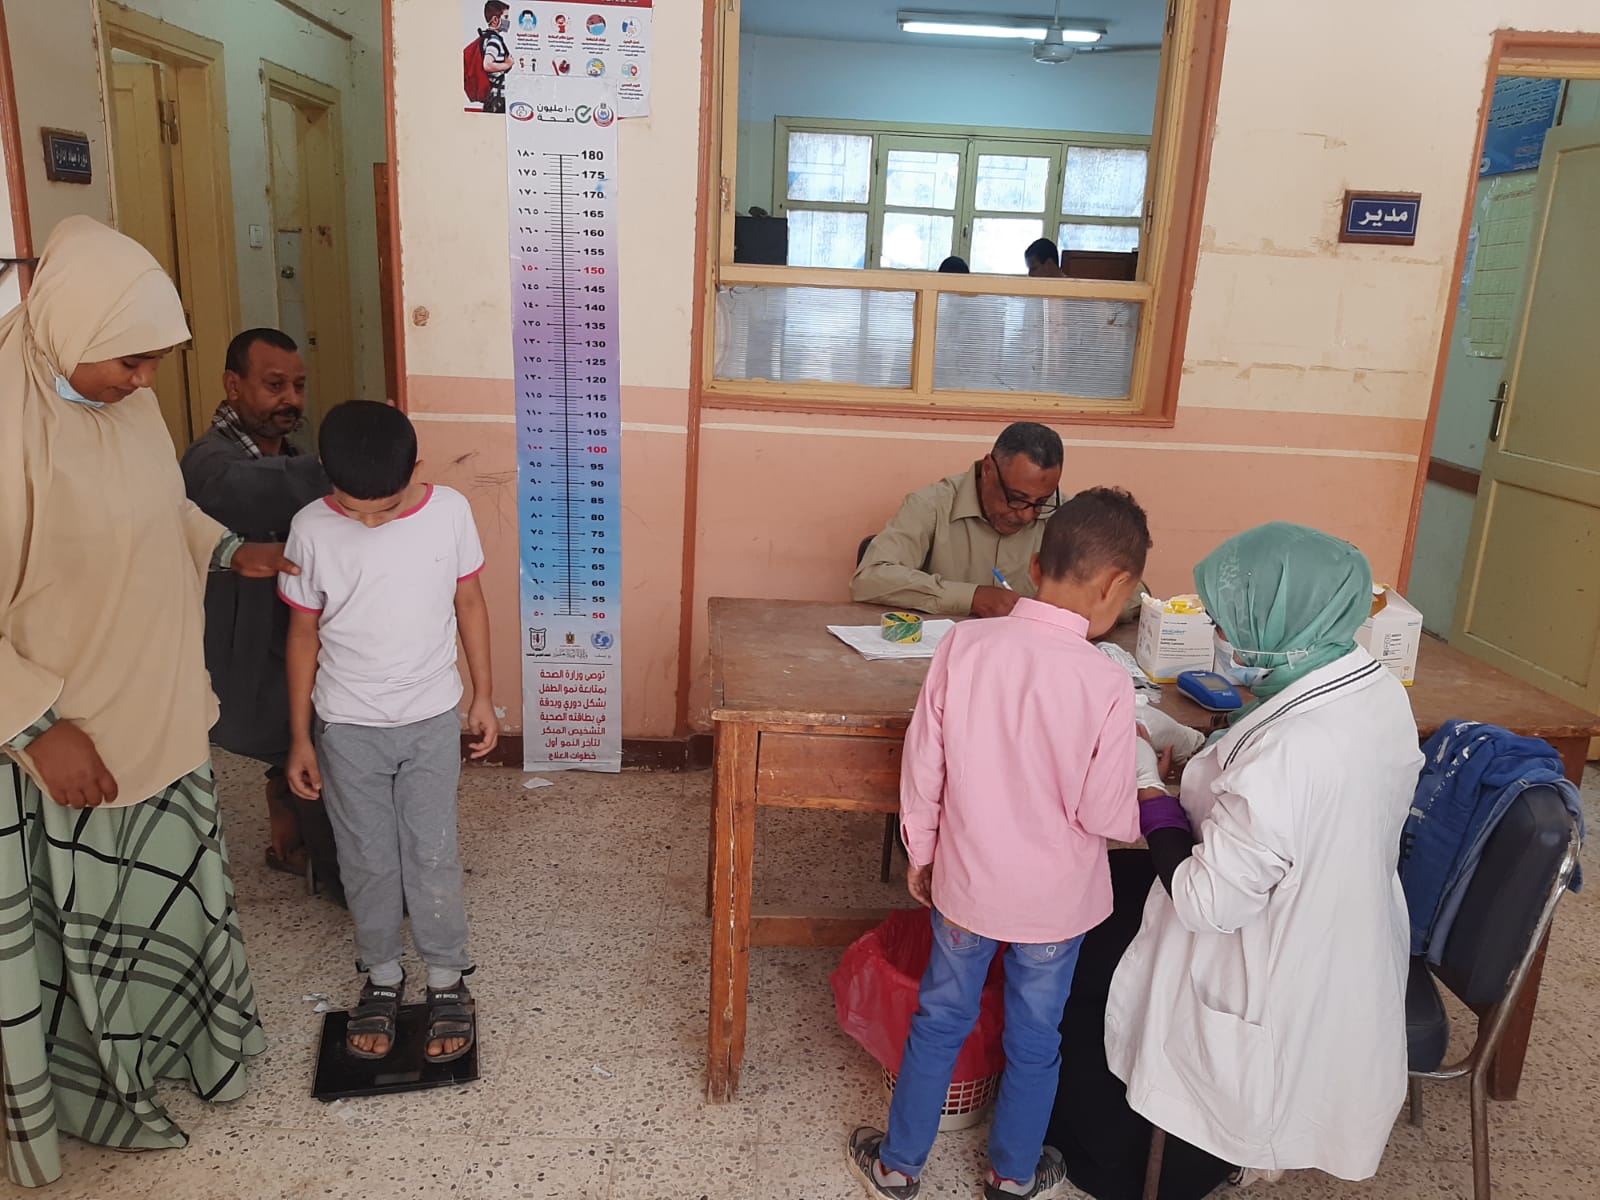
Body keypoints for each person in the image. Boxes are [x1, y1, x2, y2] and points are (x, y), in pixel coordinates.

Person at [0, 217, 290, 1187]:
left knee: (170, 898)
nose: (146, 380)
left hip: (156, 703)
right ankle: (98, 1089)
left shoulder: (124, 404)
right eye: (131, 361)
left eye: (157, 360)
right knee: (93, 925)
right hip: (64, 735)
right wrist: (37, 726)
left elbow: (160, 508)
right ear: (72, 327)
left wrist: (229, 550)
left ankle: (185, 1048)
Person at [1049, 523, 1425, 1197]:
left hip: (1255, 950)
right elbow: (1274, 792)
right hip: (1329, 922)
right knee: (1101, 895)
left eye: (1228, 621)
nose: (1219, 635)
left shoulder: (1295, 753)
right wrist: (1197, 747)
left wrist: (1148, 788)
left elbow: (1205, 901)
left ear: (1282, 621)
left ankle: (1104, 1157)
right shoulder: (1369, 689)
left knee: (1078, 948)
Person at [847, 488, 1154, 1200]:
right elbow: (1107, 815)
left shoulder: (964, 645)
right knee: (1037, 1039)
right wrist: (1145, 775)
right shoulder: (1107, 681)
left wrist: (923, 851)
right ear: (1118, 587)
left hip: (966, 887)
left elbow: (923, 766)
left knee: (940, 1020)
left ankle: (898, 1166)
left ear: (1037, 565)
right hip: (1055, 908)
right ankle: (1013, 1177)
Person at [281, 401, 498, 1062]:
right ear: (328, 476)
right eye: (356, 509)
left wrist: (484, 696)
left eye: (387, 507)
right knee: (366, 858)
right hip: (347, 727)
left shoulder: (449, 512)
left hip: (431, 719)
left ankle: (446, 978)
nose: (372, 522)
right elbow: (302, 634)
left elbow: (469, 602)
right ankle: (380, 975)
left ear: (417, 471)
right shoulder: (310, 529)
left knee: (431, 852)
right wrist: (301, 737)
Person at [181, 328, 342, 896]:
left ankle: (292, 841)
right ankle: (338, 875)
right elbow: (250, 491)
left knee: (314, 732)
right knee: (315, 744)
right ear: (233, 385)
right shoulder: (209, 462)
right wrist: (346, 469)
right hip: (239, 647)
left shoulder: (291, 459)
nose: (290, 400)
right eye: (275, 386)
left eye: (298, 386)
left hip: (291, 638)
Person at [852, 422, 1145, 621]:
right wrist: (971, 598)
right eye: (1016, 498)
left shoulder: (1065, 518)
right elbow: (870, 578)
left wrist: (1068, 610)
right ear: (989, 469)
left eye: (1041, 502)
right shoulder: (932, 505)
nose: (1027, 515)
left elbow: (1135, 595)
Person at [479, 2, 513, 113]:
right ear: (495, 20)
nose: (508, 21)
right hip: (497, 97)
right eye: (506, 17)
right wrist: (507, 64)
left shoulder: (487, 38)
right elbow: (487, 65)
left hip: (494, 95)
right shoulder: (494, 41)